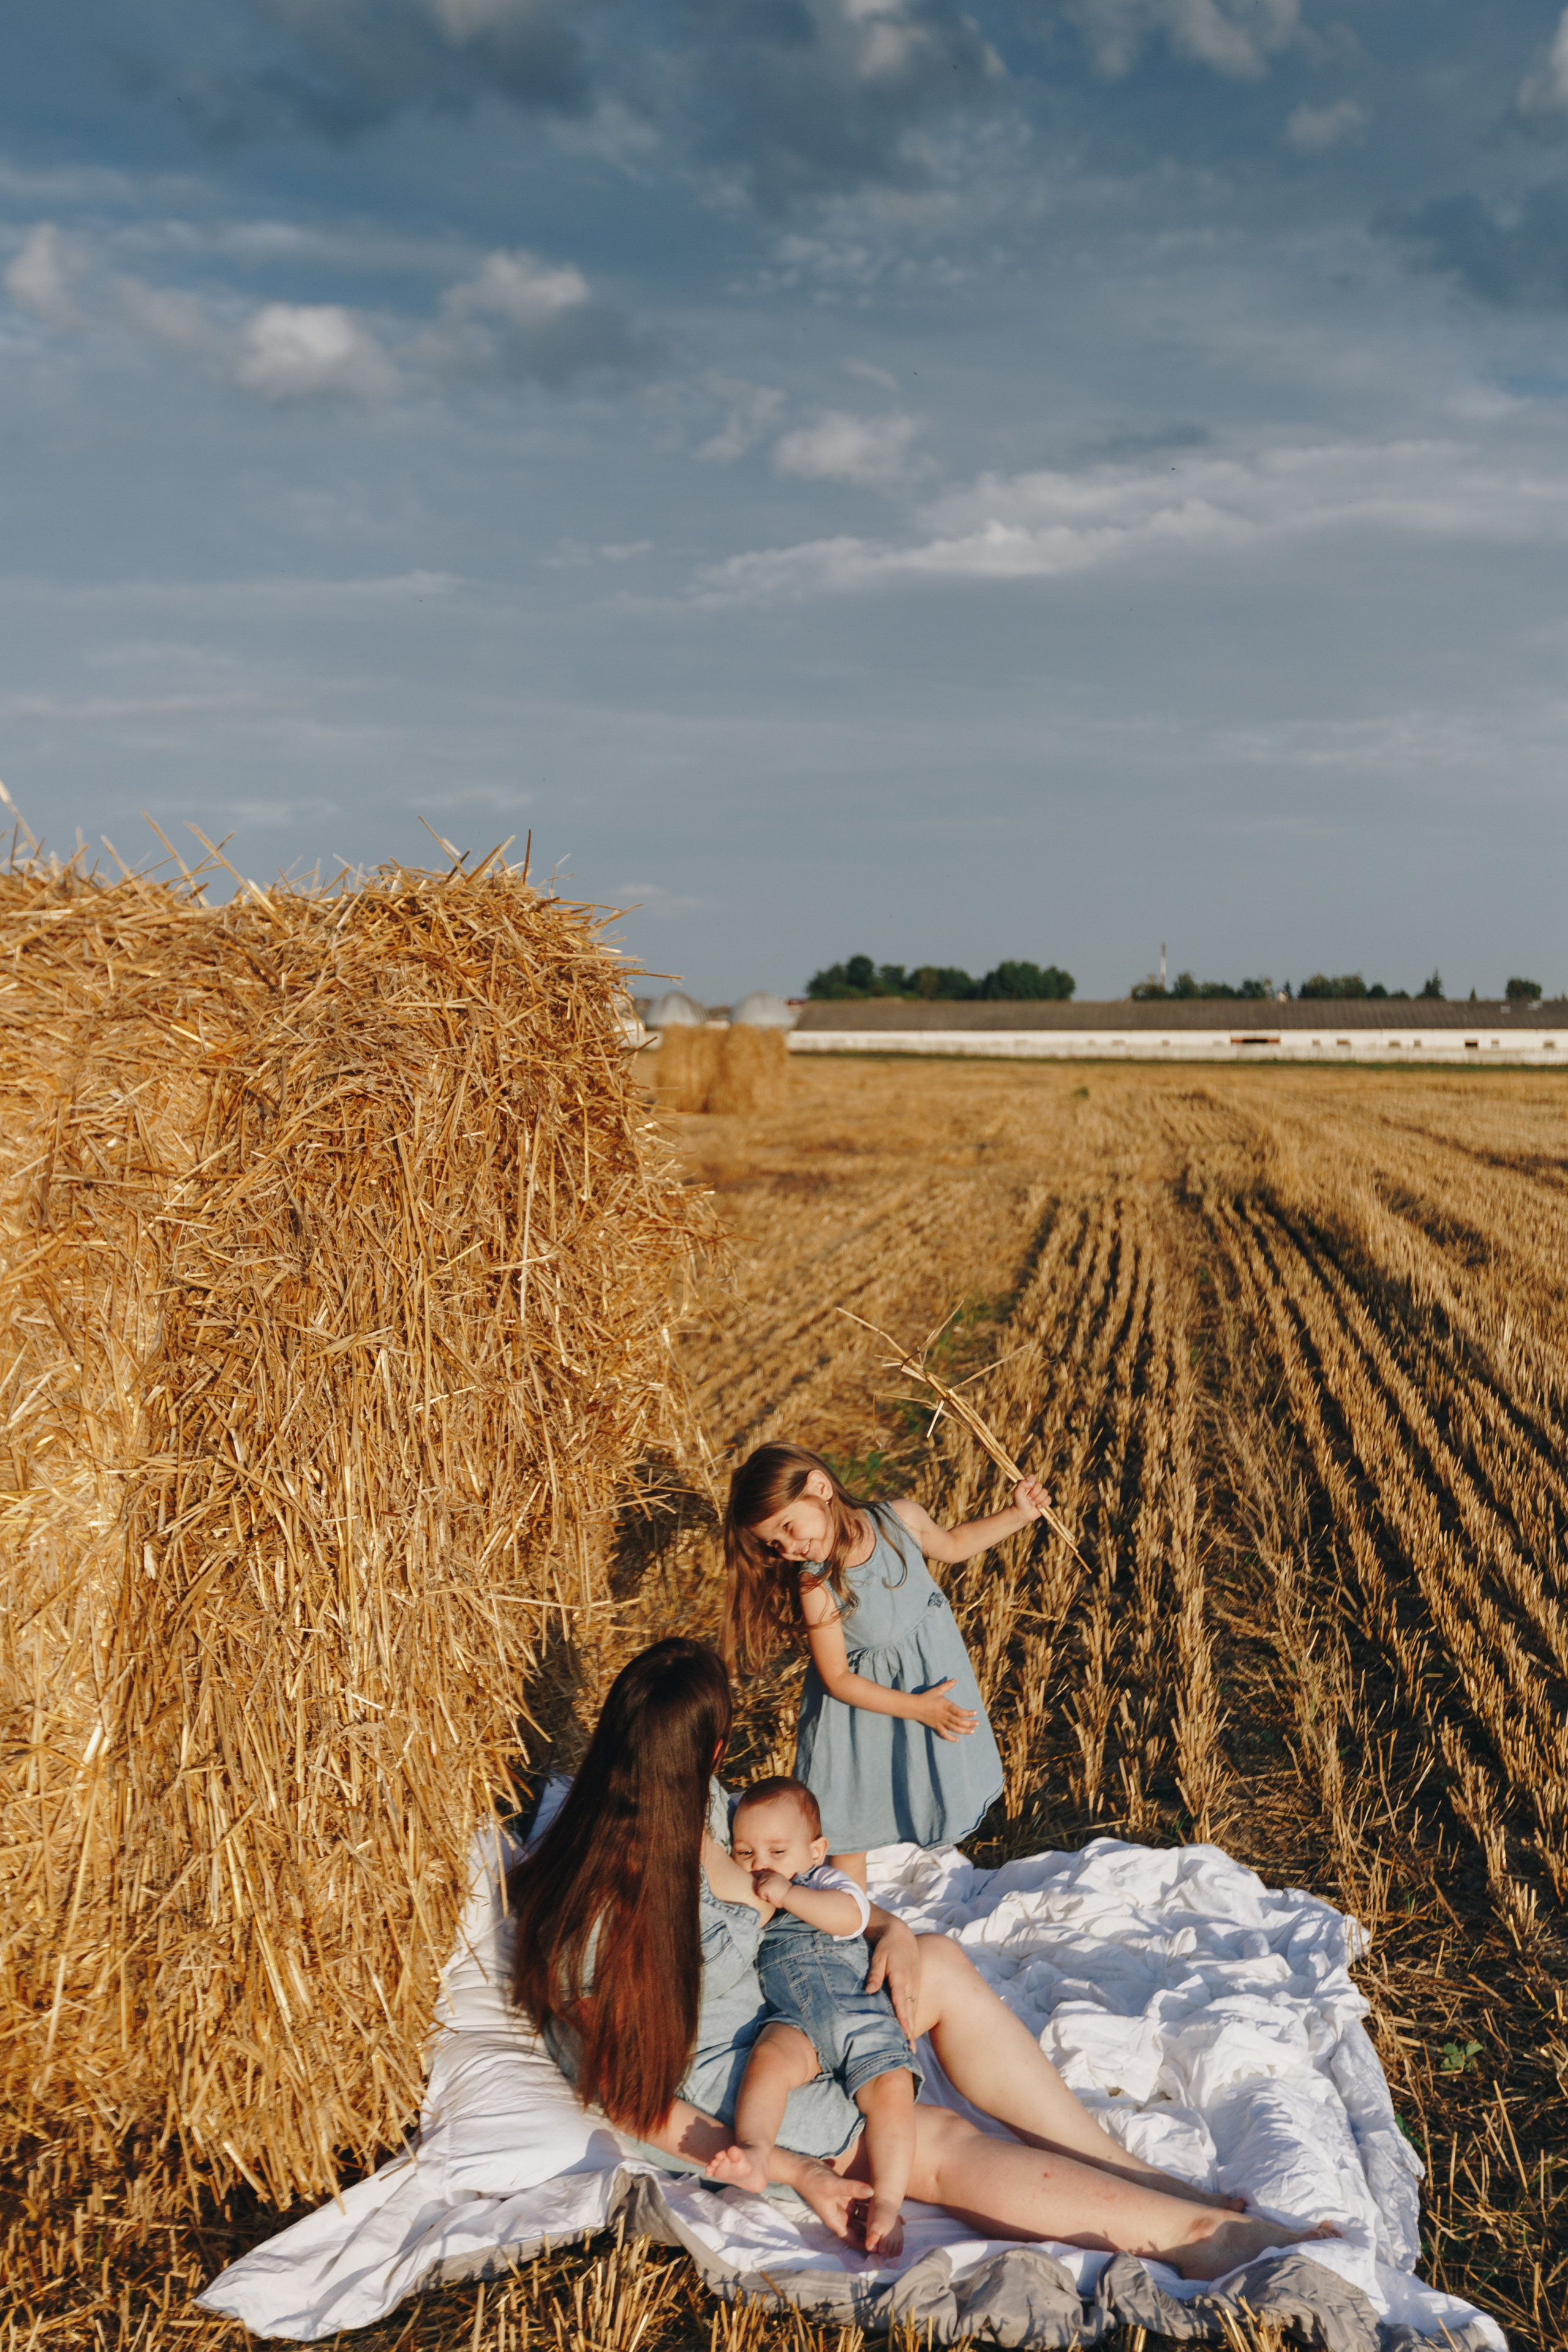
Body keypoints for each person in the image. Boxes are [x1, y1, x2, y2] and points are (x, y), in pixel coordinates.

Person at [510, 1638, 1334, 2278]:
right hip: (735, 2091)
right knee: (923, 2136)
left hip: (787, 2002)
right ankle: (1193, 2234)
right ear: (716, 1746)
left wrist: (888, 1929)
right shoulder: (591, 1919)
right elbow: (635, 2102)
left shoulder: (708, 1812)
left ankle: (1133, 2173)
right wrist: (797, 2171)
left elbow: (791, 1888)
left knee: (932, 1959)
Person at [722, 1443, 1039, 1883]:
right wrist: (919, 1708)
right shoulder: (815, 1583)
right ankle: (847, 1921)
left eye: (789, 1527)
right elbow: (836, 1677)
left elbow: (954, 1544)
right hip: (856, 1715)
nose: (790, 1547)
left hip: (918, 1688)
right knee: (850, 1825)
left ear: (820, 1487)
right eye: (776, 1543)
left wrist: (1018, 1514)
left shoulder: (899, 1521)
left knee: (913, 1786)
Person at [706, 1775, 916, 2256]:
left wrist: (787, 1895)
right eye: (745, 1853)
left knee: (891, 2089)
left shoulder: (823, 1882)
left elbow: (850, 1917)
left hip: (855, 2007)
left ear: (817, 1850)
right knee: (767, 2064)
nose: (761, 1865)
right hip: (793, 2019)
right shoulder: (755, 1899)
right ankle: (758, 2151)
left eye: (778, 1852)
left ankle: (886, 2201)